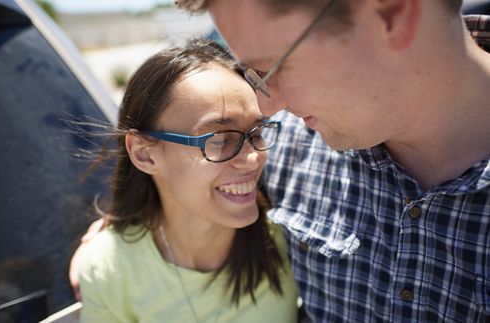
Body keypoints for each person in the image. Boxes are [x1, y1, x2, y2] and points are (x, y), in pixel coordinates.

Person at [173, 0, 490, 322]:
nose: (267, 105)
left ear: (394, 15)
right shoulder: (279, 150)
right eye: (253, 76)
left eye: (271, 69)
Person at [73, 38, 298, 323]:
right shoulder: (108, 268)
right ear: (145, 154)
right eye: (220, 140)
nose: (253, 158)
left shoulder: (290, 236)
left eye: (256, 133)